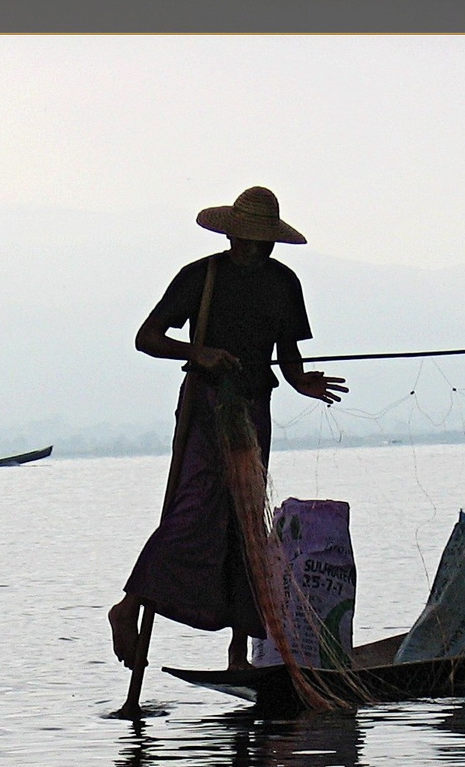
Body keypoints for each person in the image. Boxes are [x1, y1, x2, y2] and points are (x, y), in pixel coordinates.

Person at [109, 186, 347, 671]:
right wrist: (198, 352)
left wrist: (303, 381)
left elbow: (288, 357)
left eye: (265, 242)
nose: (257, 250)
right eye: (249, 240)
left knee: (247, 524)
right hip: (207, 407)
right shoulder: (202, 276)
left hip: (255, 407)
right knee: (194, 510)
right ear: (232, 235)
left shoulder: (284, 283)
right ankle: (128, 607)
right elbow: (147, 338)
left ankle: (239, 654)